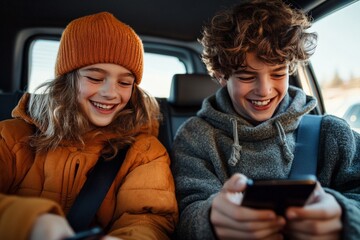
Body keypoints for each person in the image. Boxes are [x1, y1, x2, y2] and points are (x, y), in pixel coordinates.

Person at [171, 0, 360, 239]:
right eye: (247, 76)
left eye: (278, 73)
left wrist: (345, 215)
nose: (264, 90)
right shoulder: (194, 137)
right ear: (221, 76)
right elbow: (186, 211)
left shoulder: (331, 133)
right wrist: (210, 219)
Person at [0, 12, 178, 240]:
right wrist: (29, 222)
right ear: (67, 80)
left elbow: (149, 219)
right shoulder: (11, 138)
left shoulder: (144, 153)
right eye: (95, 78)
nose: (110, 93)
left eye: (124, 83)